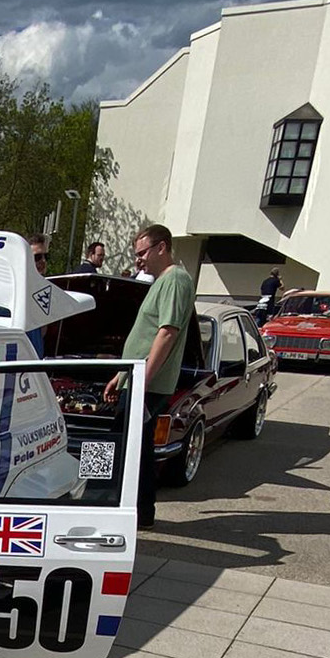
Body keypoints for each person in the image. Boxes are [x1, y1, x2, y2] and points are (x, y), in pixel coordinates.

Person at [104, 224, 196, 528]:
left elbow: (167, 333)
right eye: (136, 254)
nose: (138, 260)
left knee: (119, 445)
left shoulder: (175, 280)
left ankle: (110, 505)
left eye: (142, 252)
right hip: (138, 378)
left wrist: (141, 381)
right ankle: (139, 513)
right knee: (138, 449)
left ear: (162, 247)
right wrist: (122, 375)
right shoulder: (160, 282)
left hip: (149, 383)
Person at [27, 235, 50, 356]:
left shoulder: (45, 288)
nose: (43, 261)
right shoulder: (16, 286)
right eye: (37, 257)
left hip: (36, 360)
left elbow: (43, 331)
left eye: (46, 256)